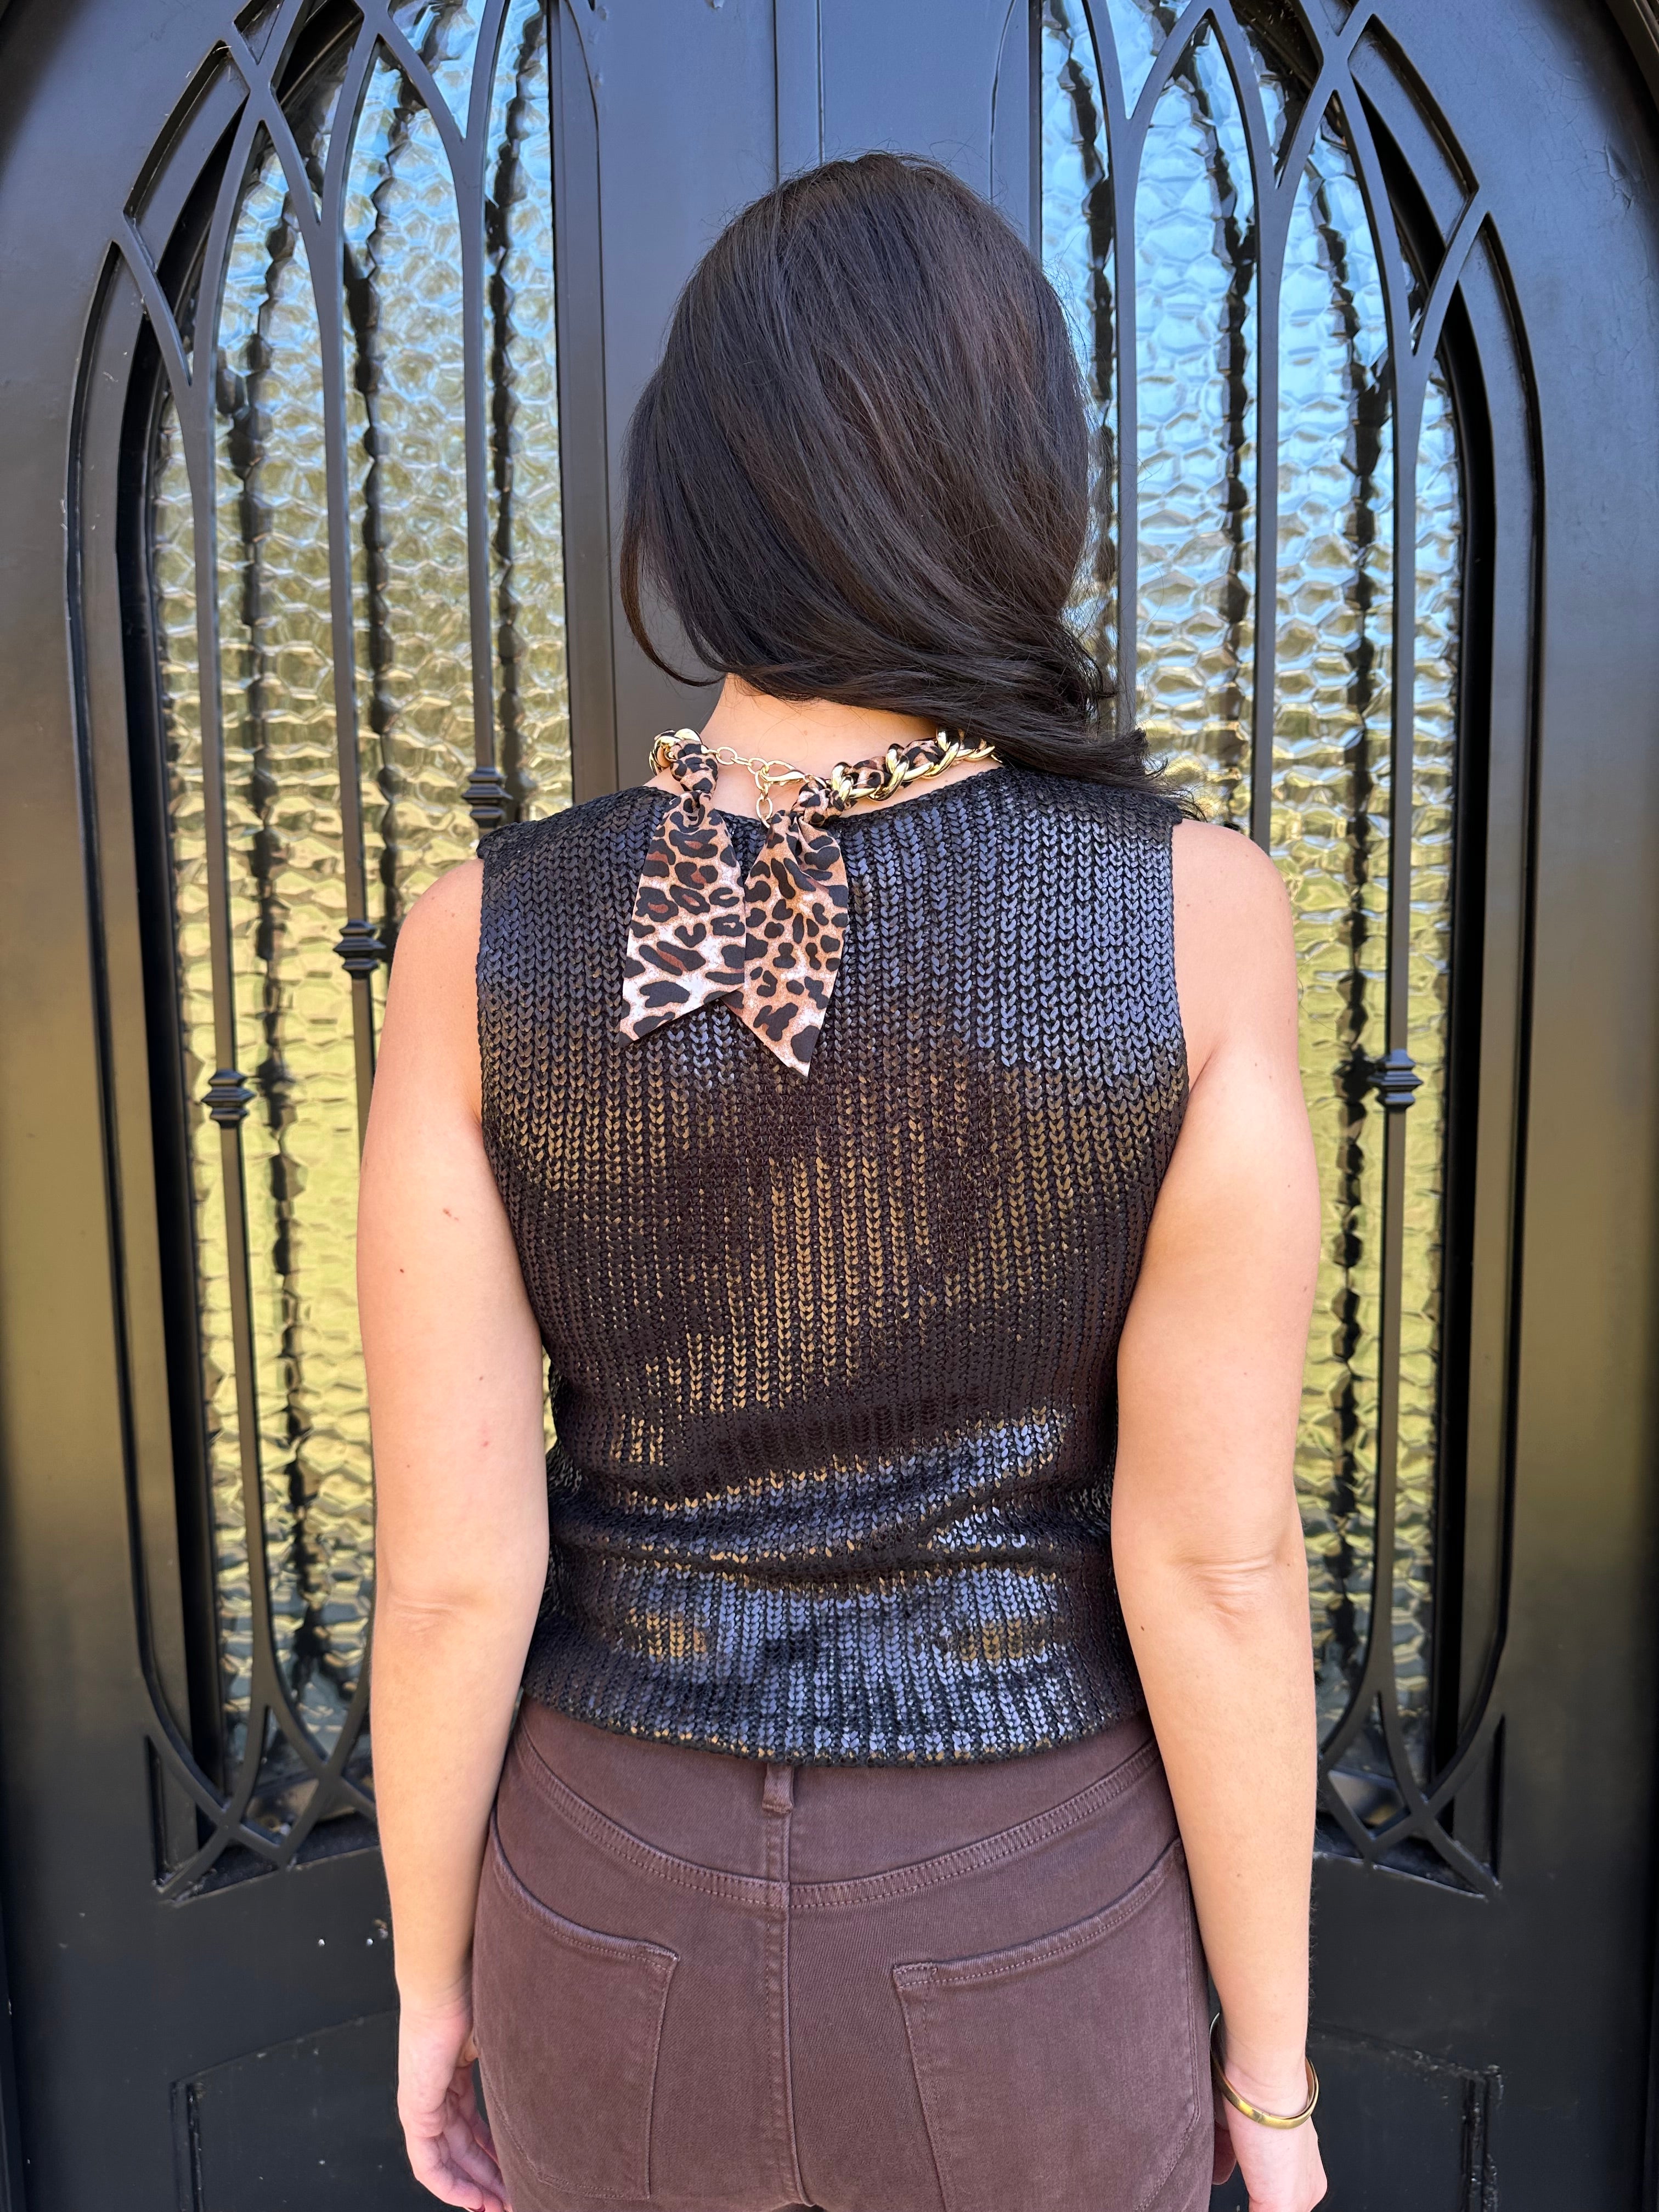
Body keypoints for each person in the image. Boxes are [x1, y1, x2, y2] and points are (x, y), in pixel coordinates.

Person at [358, 152, 1325, 2212]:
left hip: (607, 1880)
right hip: (1020, 1883)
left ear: (687, 495)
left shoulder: (477, 937)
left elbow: (449, 1575)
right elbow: (1218, 1569)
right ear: (1025, 485)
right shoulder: (1190, 916)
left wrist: (434, 1982)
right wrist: (1272, 2083)